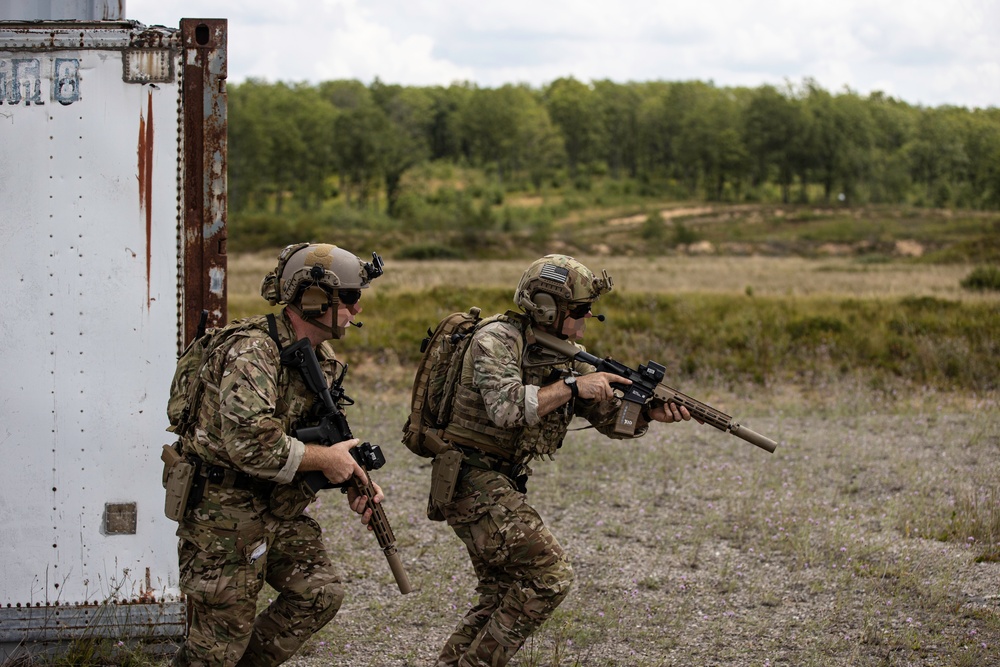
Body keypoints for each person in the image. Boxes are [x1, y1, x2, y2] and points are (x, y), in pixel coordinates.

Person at [432, 254, 694, 667]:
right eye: (579, 310)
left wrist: (646, 413)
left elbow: (608, 419)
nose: (587, 318)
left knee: (500, 593)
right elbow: (507, 407)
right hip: (470, 476)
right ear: (547, 307)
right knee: (549, 576)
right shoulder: (496, 340)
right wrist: (574, 385)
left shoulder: (566, 353)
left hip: (497, 481)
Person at [170, 242, 385, 667]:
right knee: (217, 647)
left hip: (271, 504)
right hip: (223, 512)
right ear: (313, 299)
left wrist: (353, 476)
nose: (356, 310)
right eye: (351, 297)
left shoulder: (318, 358)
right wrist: (326, 460)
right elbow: (252, 443)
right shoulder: (253, 352)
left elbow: (319, 433)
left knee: (318, 593)